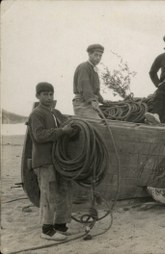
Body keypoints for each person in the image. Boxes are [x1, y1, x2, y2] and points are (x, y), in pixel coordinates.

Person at [28, 82, 76, 241]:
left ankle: (60, 226)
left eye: (51, 94)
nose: (49, 97)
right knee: (48, 193)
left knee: (64, 189)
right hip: (44, 161)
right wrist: (62, 131)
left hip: (59, 161)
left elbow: (66, 125)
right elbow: (39, 135)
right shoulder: (37, 114)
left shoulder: (55, 112)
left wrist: (72, 127)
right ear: (38, 96)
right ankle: (47, 230)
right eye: (45, 94)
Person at [73, 44, 105, 119]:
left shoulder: (94, 69)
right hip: (82, 103)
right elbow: (85, 86)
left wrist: (102, 100)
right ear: (89, 54)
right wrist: (92, 100)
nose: (98, 58)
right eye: (96, 55)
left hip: (91, 102)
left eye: (100, 56)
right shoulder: (84, 67)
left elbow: (95, 90)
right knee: (98, 125)